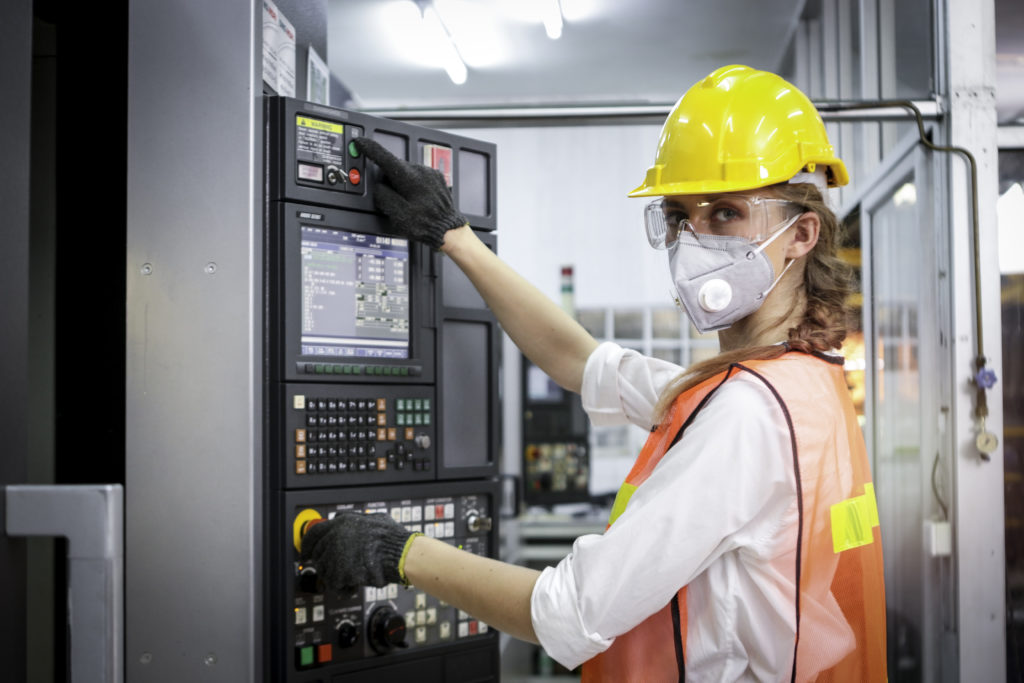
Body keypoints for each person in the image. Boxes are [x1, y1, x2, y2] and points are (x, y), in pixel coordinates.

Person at [300, 64, 887, 681]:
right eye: (680, 215)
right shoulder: (797, 382)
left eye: (725, 213)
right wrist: (457, 239)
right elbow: (581, 361)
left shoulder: (749, 413)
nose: (694, 239)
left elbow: (571, 612)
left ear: (802, 234)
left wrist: (399, 552)